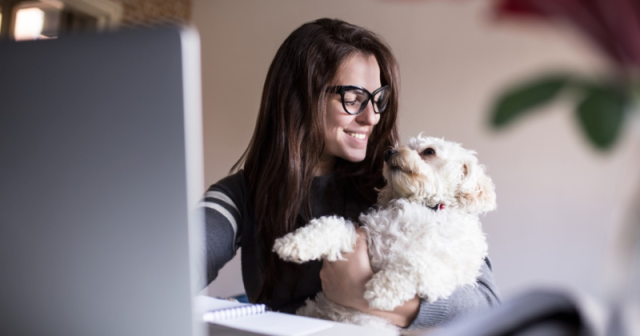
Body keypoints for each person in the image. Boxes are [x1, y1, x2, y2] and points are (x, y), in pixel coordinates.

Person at [200, 18, 501, 329]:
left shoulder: (399, 185)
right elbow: (175, 264)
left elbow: (487, 303)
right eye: (353, 99)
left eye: (378, 99)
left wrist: (363, 294)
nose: (371, 117)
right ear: (300, 99)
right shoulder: (241, 195)